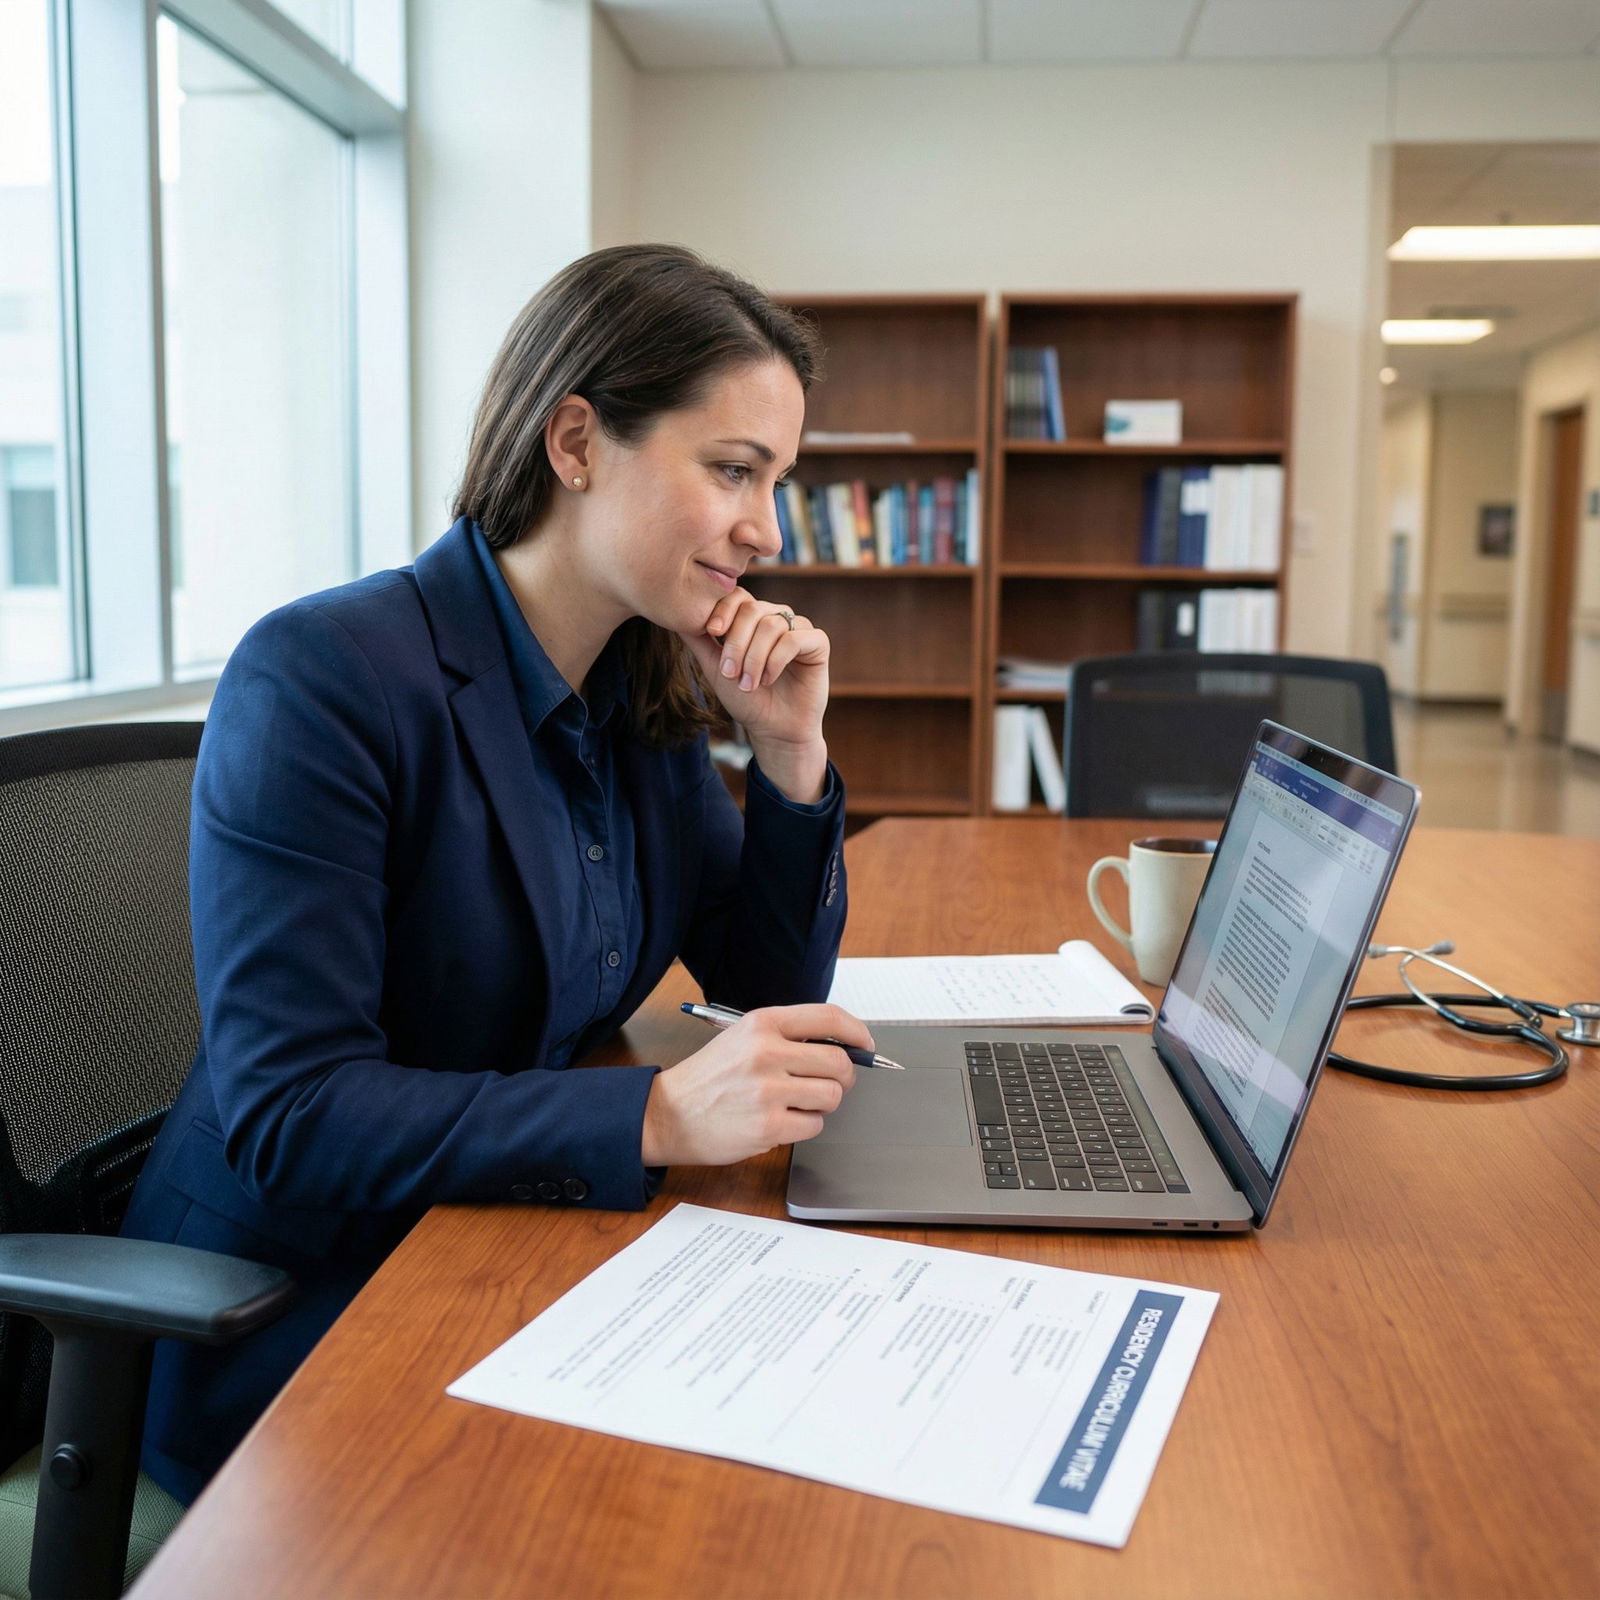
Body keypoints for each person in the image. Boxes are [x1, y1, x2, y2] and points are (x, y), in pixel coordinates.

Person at [120, 243, 872, 1503]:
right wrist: (652, 1117)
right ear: (575, 442)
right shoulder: (323, 678)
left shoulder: (638, 680)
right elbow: (294, 1111)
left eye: (778, 481)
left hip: (496, 1240)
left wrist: (789, 754)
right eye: (735, 470)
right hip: (295, 1307)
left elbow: (765, 980)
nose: (768, 527)